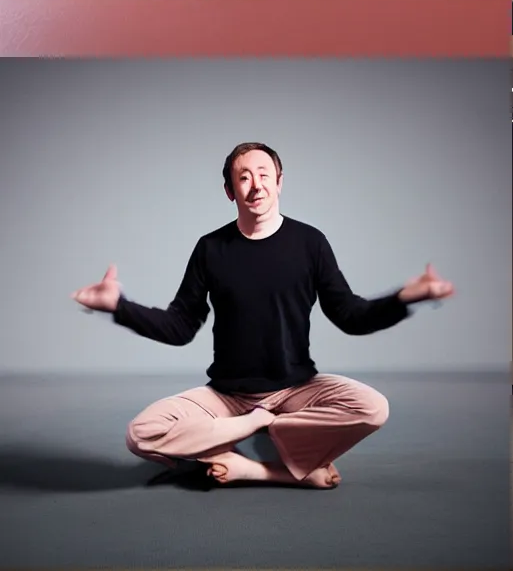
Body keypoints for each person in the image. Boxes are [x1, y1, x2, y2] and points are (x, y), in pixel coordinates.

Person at [71, 142, 455, 488]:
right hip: (227, 395)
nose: (256, 185)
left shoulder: (310, 243)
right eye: (244, 178)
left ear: (280, 182)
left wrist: (407, 297)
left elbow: (350, 315)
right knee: (141, 432)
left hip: (297, 389)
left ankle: (255, 466)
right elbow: (179, 327)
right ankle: (263, 434)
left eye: (264, 175)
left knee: (373, 408)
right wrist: (118, 306)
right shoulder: (210, 249)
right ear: (229, 191)